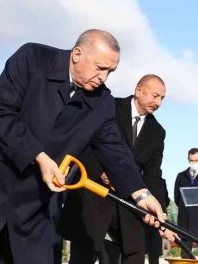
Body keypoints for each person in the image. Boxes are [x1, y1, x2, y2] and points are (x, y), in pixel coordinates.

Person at [0, 30, 165, 264]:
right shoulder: (32, 59)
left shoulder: (101, 103)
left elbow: (115, 151)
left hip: (28, 209)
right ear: (77, 54)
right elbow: (0, 114)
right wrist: (39, 157)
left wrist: (142, 194)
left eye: (111, 71)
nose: (104, 77)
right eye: (100, 68)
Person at [59, 73, 168, 264]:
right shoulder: (109, 107)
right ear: (138, 90)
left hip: (127, 203)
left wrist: (159, 210)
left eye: (162, 98)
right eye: (155, 95)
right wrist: (101, 172)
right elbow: (84, 144)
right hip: (93, 196)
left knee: (135, 253)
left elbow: (153, 175)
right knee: (84, 254)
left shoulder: (157, 132)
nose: (158, 102)